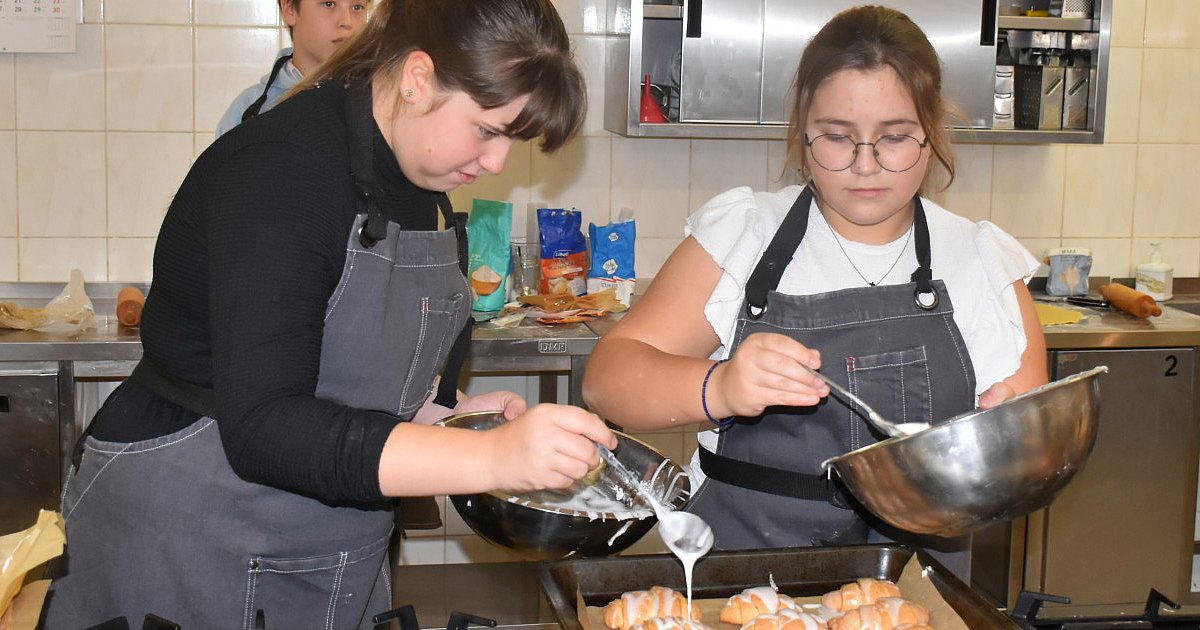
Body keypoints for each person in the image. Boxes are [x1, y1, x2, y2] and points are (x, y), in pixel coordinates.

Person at [44, 0, 613, 627]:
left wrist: (443, 420)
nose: (498, 163)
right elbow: (264, 426)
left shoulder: (420, 192)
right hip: (186, 539)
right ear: (418, 77)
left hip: (330, 551)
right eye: (488, 130)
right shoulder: (279, 168)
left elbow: (336, 372)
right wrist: (493, 458)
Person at [582, 5, 1047, 579]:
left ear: (933, 132)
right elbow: (608, 381)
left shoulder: (980, 263)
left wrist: (1007, 443)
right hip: (745, 581)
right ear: (803, 130)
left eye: (895, 138)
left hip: (914, 590)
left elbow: (1026, 449)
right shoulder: (743, 237)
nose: (865, 166)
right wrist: (719, 386)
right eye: (836, 137)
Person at [215, 0, 370, 137]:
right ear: (289, 9)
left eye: (357, 7)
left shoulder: (380, 103)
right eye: (328, 4)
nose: (347, 21)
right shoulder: (248, 110)